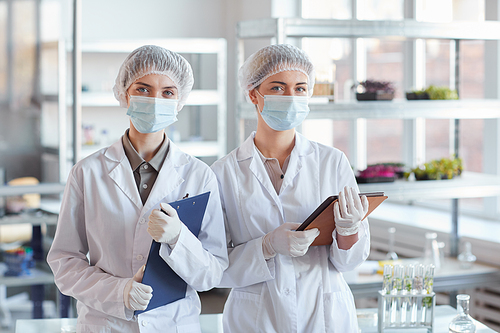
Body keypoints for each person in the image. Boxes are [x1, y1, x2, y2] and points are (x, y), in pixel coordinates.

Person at [47, 45, 228, 333]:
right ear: (124, 93)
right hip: (105, 324)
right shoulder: (88, 172)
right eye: (143, 89)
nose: (156, 100)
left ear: (179, 100)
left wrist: (179, 239)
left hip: (174, 324)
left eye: (168, 92)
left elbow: (213, 273)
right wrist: (119, 292)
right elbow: (65, 262)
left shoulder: (198, 175)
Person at [211, 44, 370, 333]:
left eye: (300, 88)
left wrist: (349, 231)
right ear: (253, 95)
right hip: (255, 319)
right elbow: (212, 266)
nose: (291, 97)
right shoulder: (223, 173)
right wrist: (266, 246)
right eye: (278, 87)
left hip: (325, 317)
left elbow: (349, 263)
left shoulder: (332, 162)